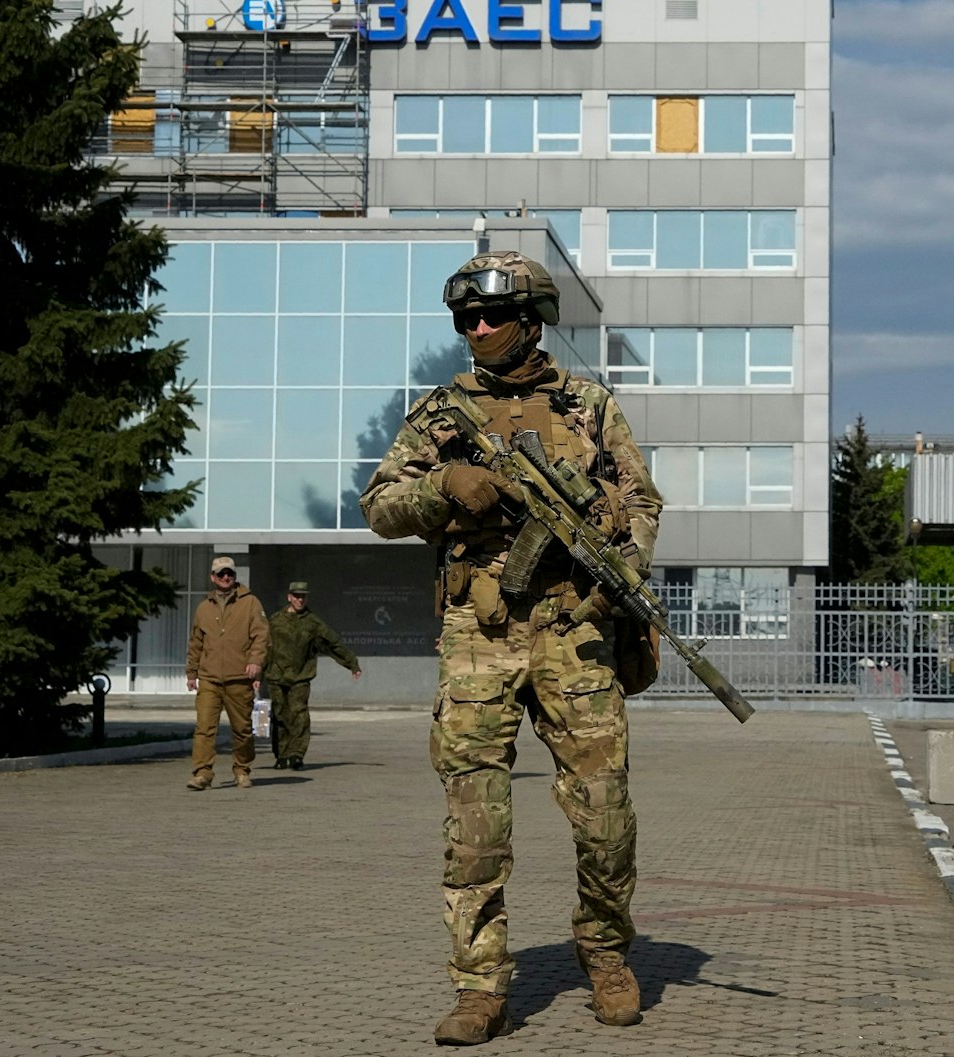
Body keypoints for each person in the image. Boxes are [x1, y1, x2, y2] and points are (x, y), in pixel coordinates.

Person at [360, 250, 663, 1045]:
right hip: (478, 637)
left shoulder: (590, 405)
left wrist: (617, 572)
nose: (479, 328)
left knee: (605, 815)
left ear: (533, 318)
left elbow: (641, 500)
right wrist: (442, 489)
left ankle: (604, 953)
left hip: (576, 629)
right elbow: (381, 504)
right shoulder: (440, 413)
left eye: (492, 315)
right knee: (475, 821)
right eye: (466, 319)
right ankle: (480, 988)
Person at [184, 555, 268, 791]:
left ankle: (242, 769)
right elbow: (196, 642)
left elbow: (261, 636)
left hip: (239, 678)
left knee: (241, 729)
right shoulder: (203, 608)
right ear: (213, 577)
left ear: (234, 576)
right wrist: (192, 673)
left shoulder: (251, 603)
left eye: (229, 573)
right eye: (220, 574)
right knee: (204, 728)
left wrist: (255, 662)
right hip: (209, 678)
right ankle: (202, 773)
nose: (225, 577)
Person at [262, 581, 362, 771]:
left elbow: (333, 643)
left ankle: (296, 755)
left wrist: (352, 663)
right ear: (289, 597)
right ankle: (281, 755)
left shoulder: (313, 623)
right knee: (280, 716)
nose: (300, 600)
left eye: (303, 596)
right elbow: (264, 648)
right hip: (276, 676)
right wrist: (256, 675)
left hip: (300, 677)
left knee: (299, 715)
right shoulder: (275, 621)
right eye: (296, 596)